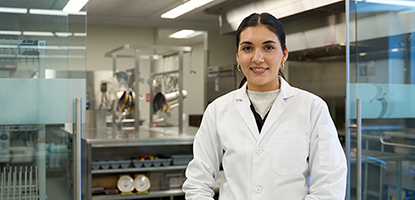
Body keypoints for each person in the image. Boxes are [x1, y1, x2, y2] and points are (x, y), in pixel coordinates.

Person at [182, 12, 347, 200]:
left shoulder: (313, 108)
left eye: (268, 47)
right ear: (238, 56)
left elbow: (329, 185)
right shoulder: (218, 110)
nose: (257, 58)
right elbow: (197, 182)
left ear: (284, 54)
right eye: (247, 48)